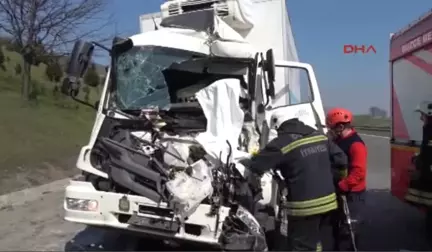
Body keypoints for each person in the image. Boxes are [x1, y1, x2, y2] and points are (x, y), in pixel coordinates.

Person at [246, 112, 347, 252]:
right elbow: (341, 160)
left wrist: (248, 160)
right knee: (316, 240)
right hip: (329, 202)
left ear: (278, 126)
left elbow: (256, 165)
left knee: (302, 245)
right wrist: (334, 180)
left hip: (305, 206)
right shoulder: (319, 136)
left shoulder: (280, 143)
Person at [325, 107, 367, 252]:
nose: (329, 130)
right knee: (337, 228)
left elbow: (359, 172)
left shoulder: (356, 145)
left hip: (352, 194)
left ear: (341, 127)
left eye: (331, 127)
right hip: (340, 191)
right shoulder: (338, 141)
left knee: (349, 232)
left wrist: (343, 186)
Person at [405, 101, 432, 234]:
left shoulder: (430, 130)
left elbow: (429, 154)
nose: (421, 118)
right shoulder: (428, 129)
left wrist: (420, 161)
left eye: (422, 115)